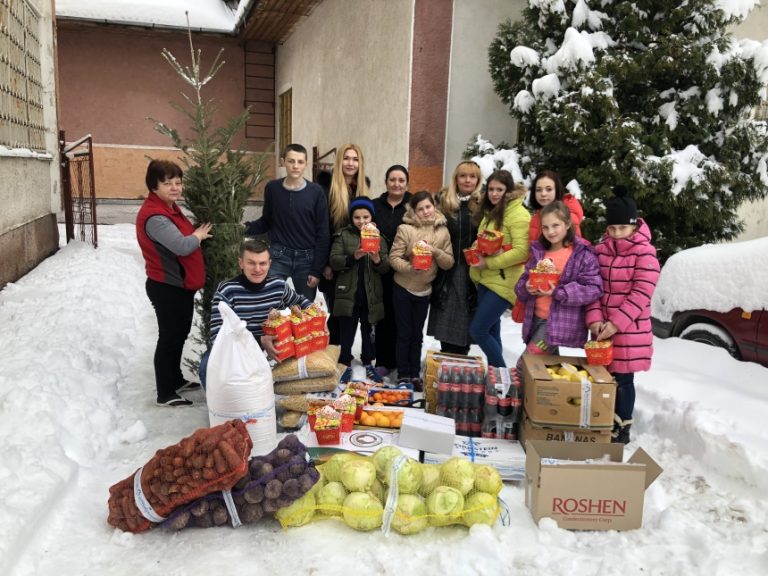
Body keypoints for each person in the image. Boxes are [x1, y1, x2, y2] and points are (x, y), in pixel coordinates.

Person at [586, 186, 661, 444]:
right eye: (612, 228)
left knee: (624, 379)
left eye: (623, 228)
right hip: (602, 328)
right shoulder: (600, 251)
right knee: (602, 376)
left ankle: (622, 426)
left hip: (630, 329)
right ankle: (603, 419)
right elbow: (593, 289)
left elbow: (642, 293)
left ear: (634, 226)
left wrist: (616, 324)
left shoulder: (645, 253)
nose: (617, 234)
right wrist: (594, 319)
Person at [136, 159, 212, 407]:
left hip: (180, 286)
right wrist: (198, 235)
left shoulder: (169, 208)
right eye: (167, 183)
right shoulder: (155, 216)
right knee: (169, 337)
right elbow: (181, 245)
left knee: (179, 335)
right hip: (167, 286)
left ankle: (176, 378)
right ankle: (165, 392)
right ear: (154, 186)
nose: (174, 187)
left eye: (178, 182)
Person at [199, 238, 313, 387]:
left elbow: (300, 301)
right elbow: (217, 336)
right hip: (236, 349)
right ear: (241, 263)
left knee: (309, 360)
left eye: (262, 263)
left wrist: (316, 316)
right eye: (251, 263)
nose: (257, 269)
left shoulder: (278, 285)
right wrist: (259, 340)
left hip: (271, 344)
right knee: (206, 368)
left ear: (270, 264)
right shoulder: (227, 290)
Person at [514, 201, 602, 358]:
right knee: (544, 367)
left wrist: (559, 292)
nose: (550, 231)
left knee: (527, 363)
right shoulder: (539, 251)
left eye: (555, 225)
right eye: (546, 227)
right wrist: (526, 287)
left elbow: (594, 288)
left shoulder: (582, 254)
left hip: (555, 323)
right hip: (535, 318)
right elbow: (521, 283)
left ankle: (515, 384)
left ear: (567, 224)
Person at [245, 143, 329, 301]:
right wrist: (245, 228)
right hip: (278, 255)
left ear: (306, 163)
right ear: (283, 162)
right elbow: (266, 221)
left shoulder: (316, 192)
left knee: (304, 310)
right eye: (291, 161)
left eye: (300, 162)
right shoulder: (273, 188)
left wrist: (317, 269)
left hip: (307, 259)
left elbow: (323, 233)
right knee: (268, 302)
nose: (295, 166)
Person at [389, 191, 454, 389]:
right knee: (404, 334)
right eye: (420, 209)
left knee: (417, 335)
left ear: (434, 205)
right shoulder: (405, 229)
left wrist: (434, 251)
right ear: (414, 212)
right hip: (403, 288)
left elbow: (448, 263)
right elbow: (393, 258)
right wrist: (410, 268)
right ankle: (402, 374)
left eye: (428, 206)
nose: (425, 212)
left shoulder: (443, 232)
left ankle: (414, 374)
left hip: (425, 291)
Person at [468, 170, 531, 367]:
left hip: (504, 282)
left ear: (509, 191)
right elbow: (484, 241)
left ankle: (503, 376)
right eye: (491, 189)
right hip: (485, 279)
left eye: (500, 190)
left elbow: (522, 252)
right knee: (492, 332)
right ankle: (497, 382)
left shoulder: (519, 215)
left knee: (478, 330)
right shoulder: (490, 213)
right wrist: (473, 251)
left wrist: (490, 263)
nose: (495, 194)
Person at [329, 197, 390, 383]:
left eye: (366, 216)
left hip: (371, 296)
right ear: (351, 218)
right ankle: (345, 362)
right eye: (357, 217)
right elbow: (334, 260)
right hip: (348, 294)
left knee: (369, 331)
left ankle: (368, 361)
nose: (362, 221)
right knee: (346, 329)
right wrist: (353, 256)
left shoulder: (379, 237)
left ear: (372, 217)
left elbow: (386, 268)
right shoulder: (343, 236)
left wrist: (377, 259)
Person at [427, 160, 482, 355]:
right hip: (446, 267)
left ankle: (460, 364)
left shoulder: (482, 204)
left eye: (472, 176)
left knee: (465, 321)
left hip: (472, 269)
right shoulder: (443, 201)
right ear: (456, 178)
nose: (468, 180)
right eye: (463, 176)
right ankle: (446, 361)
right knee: (446, 319)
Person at [318, 144, 370, 345]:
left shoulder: (363, 188)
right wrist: (325, 263)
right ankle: (333, 350)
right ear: (339, 161)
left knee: (352, 310)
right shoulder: (326, 189)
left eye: (355, 159)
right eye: (346, 158)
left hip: (357, 259)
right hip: (334, 259)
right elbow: (323, 230)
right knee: (337, 310)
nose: (350, 163)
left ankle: (342, 352)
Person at [371, 165, 412, 379]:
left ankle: (402, 362)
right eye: (392, 179)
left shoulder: (413, 205)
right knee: (383, 317)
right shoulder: (376, 205)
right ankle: (384, 360)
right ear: (386, 182)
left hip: (407, 271)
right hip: (380, 270)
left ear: (407, 183)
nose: (396, 184)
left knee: (403, 319)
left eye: (401, 180)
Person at [527, 170, 584, 241]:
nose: (543, 194)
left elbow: (571, 247)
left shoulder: (567, 214)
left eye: (549, 189)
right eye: (538, 190)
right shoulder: (536, 217)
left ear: (557, 190)